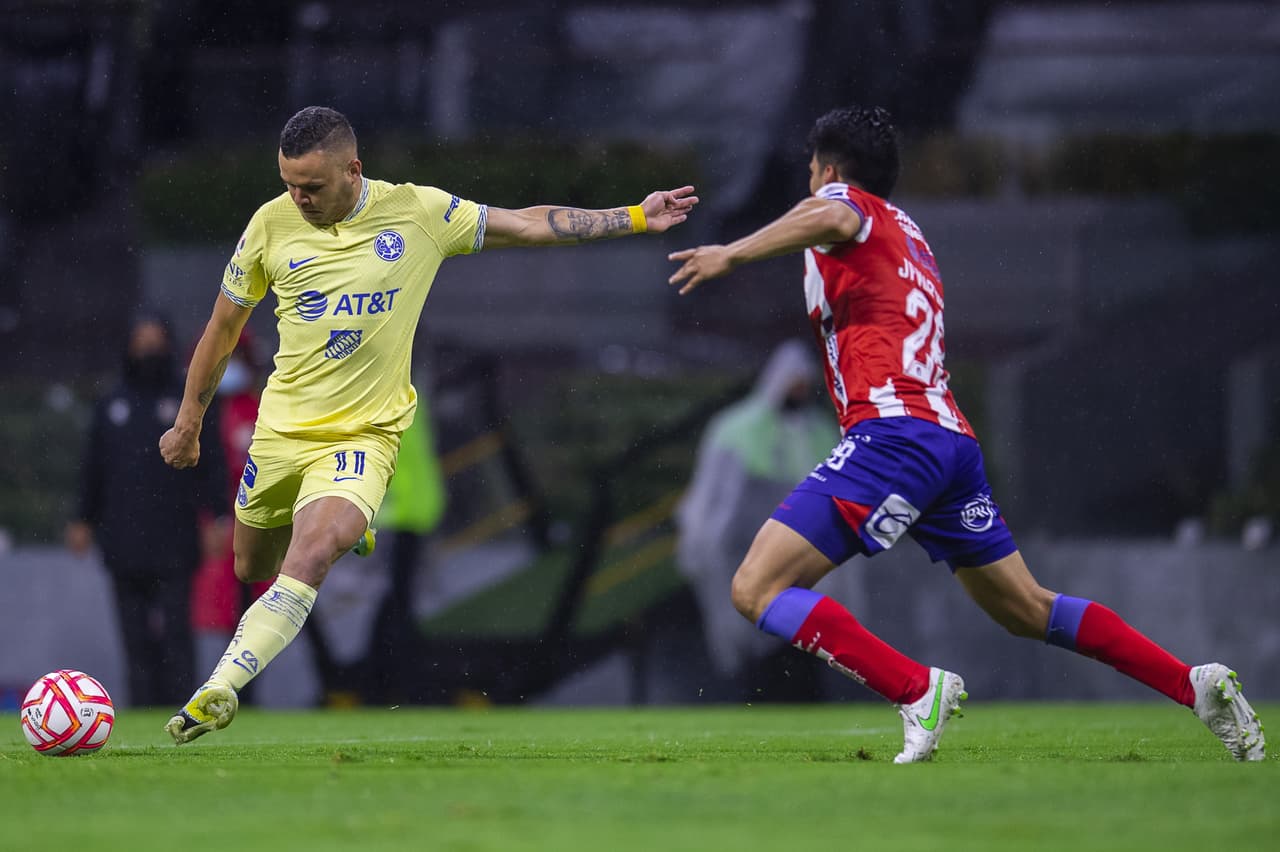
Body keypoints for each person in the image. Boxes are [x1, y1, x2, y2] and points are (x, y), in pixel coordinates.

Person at [667, 105, 1264, 763]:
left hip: (893, 438)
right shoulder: (910, 232)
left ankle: (915, 688)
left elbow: (832, 213)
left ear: (831, 170)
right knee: (1026, 608)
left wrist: (733, 251)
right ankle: (1194, 685)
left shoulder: (842, 203)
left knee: (757, 588)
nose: (813, 185)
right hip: (947, 441)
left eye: (814, 171)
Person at [158, 105, 697, 744]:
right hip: (282, 431)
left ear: (353, 170)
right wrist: (190, 419)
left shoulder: (418, 213)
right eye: (288, 184)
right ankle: (340, 523)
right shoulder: (270, 226)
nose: (298, 198)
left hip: (363, 435)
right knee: (253, 565)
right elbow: (224, 328)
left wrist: (634, 215)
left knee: (314, 549)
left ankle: (221, 687)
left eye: (312, 186)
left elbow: (525, 224)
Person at [66, 311, 228, 707]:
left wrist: (219, 517)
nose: (148, 349)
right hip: (122, 537)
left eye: (155, 341)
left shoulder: (187, 400)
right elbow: (94, 467)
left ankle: (183, 707)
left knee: (177, 632)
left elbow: (212, 466)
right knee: (133, 635)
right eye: (141, 341)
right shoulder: (111, 404)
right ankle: (141, 707)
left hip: (175, 535)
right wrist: (82, 518)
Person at [675, 339, 838, 695]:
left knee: (801, 632)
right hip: (750, 550)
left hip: (801, 555)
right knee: (756, 629)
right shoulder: (738, 430)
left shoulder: (818, 431)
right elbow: (714, 502)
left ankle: (797, 692)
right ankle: (757, 691)